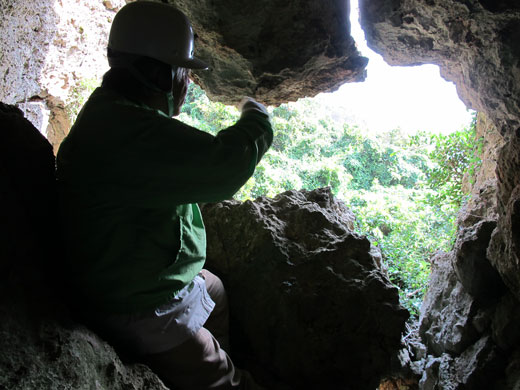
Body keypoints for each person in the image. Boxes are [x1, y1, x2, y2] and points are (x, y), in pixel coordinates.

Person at [56, 2, 272, 389]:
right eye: (184, 72)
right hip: (135, 303)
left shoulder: (114, 112)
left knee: (215, 291)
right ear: (161, 72)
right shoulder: (127, 133)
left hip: (139, 274)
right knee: (221, 373)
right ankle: (216, 374)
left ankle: (202, 362)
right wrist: (257, 113)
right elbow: (225, 166)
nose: (186, 83)